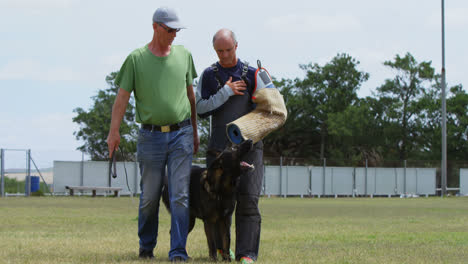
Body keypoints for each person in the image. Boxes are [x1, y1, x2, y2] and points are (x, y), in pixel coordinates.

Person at [106, 7, 198, 262]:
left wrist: (195, 131)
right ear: (156, 27)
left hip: (182, 134)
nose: (174, 35)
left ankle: (178, 251)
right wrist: (114, 132)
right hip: (150, 137)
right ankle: (146, 246)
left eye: (177, 30)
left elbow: (191, 97)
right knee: (149, 197)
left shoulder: (185, 55)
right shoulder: (136, 59)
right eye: (170, 30)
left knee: (180, 194)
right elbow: (121, 98)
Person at [196, 28, 264, 264]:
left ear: (237, 46)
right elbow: (200, 109)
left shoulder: (253, 73)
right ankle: (223, 251)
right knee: (217, 203)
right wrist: (226, 92)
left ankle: (247, 254)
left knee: (248, 199)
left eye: (228, 49)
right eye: (219, 51)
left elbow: (270, 107)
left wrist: (265, 90)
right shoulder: (208, 75)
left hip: (249, 148)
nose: (224, 55)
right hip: (219, 151)